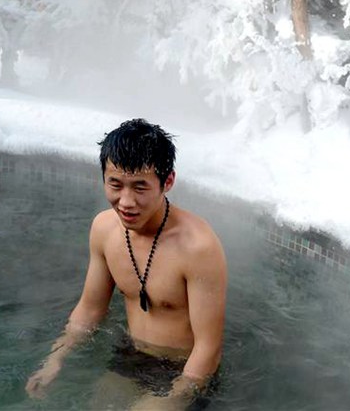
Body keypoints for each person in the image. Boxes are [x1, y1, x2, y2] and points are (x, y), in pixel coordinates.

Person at [26, 119, 227, 410]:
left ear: (167, 182)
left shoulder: (198, 247)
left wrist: (174, 397)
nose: (126, 202)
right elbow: (90, 309)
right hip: (130, 355)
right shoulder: (104, 229)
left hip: (187, 370)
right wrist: (55, 359)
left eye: (140, 187)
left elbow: (209, 348)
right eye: (116, 185)